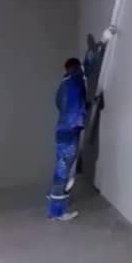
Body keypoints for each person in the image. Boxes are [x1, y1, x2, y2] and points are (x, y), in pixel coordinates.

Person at [47, 57, 87, 221]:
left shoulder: (63, 84)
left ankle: (53, 205)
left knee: (61, 168)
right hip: (70, 130)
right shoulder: (75, 80)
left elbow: (59, 103)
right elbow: (78, 103)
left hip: (62, 129)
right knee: (64, 171)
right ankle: (57, 212)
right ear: (76, 67)